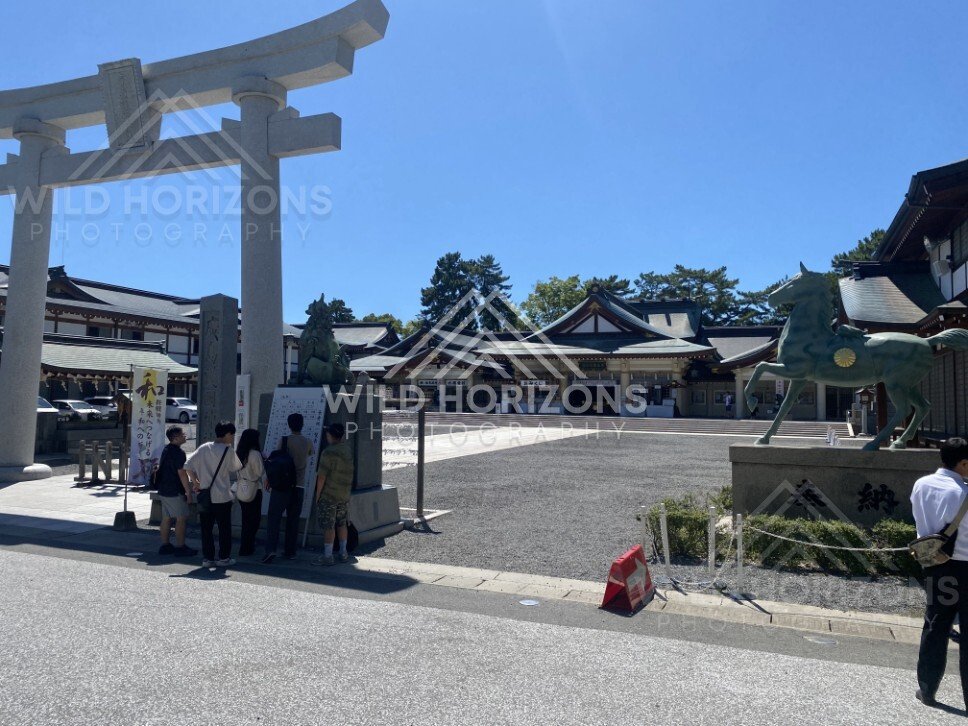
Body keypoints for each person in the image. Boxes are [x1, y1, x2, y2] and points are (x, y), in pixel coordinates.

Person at [911, 437, 968, 709]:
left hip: (936, 564)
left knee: (935, 626)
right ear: (963, 463)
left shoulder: (920, 485)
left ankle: (927, 690)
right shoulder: (963, 491)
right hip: (966, 566)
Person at [185, 421, 243, 567]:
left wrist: (196, 482)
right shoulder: (228, 450)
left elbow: (187, 465)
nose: (232, 437)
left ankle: (208, 558)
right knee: (224, 528)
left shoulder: (204, 447)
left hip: (205, 496)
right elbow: (236, 467)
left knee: (206, 529)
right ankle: (224, 558)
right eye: (232, 434)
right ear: (227, 434)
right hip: (222, 496)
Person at [263, 413, 314, 564]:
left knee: (274, 518)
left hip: (282, 486)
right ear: (302, 424)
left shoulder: (284, 440)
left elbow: (276, 462)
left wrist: (269, 479)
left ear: (289, 425)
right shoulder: (308, 442)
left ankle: (271, 549)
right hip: (299, 486)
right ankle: (290, 551)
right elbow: (311, 454)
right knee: (293, 520)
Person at [313, 423, 354, 566]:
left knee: (329, 526)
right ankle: (343, 553)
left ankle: (328, 555)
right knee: (342, 523)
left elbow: (321, 476)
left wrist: (318, 495)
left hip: (329, 495)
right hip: (343, 494)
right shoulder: (347, 450)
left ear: (330, 436)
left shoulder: (328, 452)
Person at [154, 426, 197, 557]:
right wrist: (188, 492)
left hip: (163, 489)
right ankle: (180, 546)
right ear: (175, 437)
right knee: (181, 518)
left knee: (166, 518)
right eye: (182, 434)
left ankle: (165, 545)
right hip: (174, 490)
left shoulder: (166, 449)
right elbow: (182, 473)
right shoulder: (179, 453)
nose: (185, 435)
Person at [235, 428, 267, 557]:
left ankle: (244, 546)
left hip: (241, 486)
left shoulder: (239, 452)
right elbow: (260, 472)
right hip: (254, 488)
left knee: (245, 519)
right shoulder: (255, 454)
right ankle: (248, 546)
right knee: (254, 519)